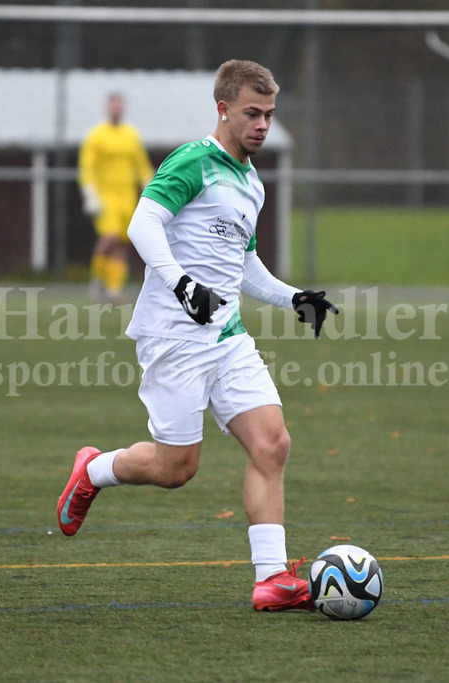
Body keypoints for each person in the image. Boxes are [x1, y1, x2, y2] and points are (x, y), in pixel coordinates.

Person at [57, 60, 338, 611]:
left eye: (269, 115)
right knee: (175, 469)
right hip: (173, 338)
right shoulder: (194, 161)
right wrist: (182, 284)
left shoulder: (251, 182)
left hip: (227, 337)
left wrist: (294, 297)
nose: (261, 124)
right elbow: (142, 223)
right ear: (224, 109)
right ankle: (91, 469)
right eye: (252, 113)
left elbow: (245, 265)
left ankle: (271, 578)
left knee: (272, 444)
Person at [78, 91, 154, 304]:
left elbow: (142, 166)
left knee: (122, 243)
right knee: (109, 237)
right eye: (113, 105)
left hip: (127, 198)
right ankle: (97, 279)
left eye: (119, 106)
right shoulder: (96, 135)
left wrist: (150, 189)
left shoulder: (131, 135)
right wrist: (90, 194)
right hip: (106, 197)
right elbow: (87, 166)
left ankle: (114, 289)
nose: (116, 109)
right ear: (107, 108)